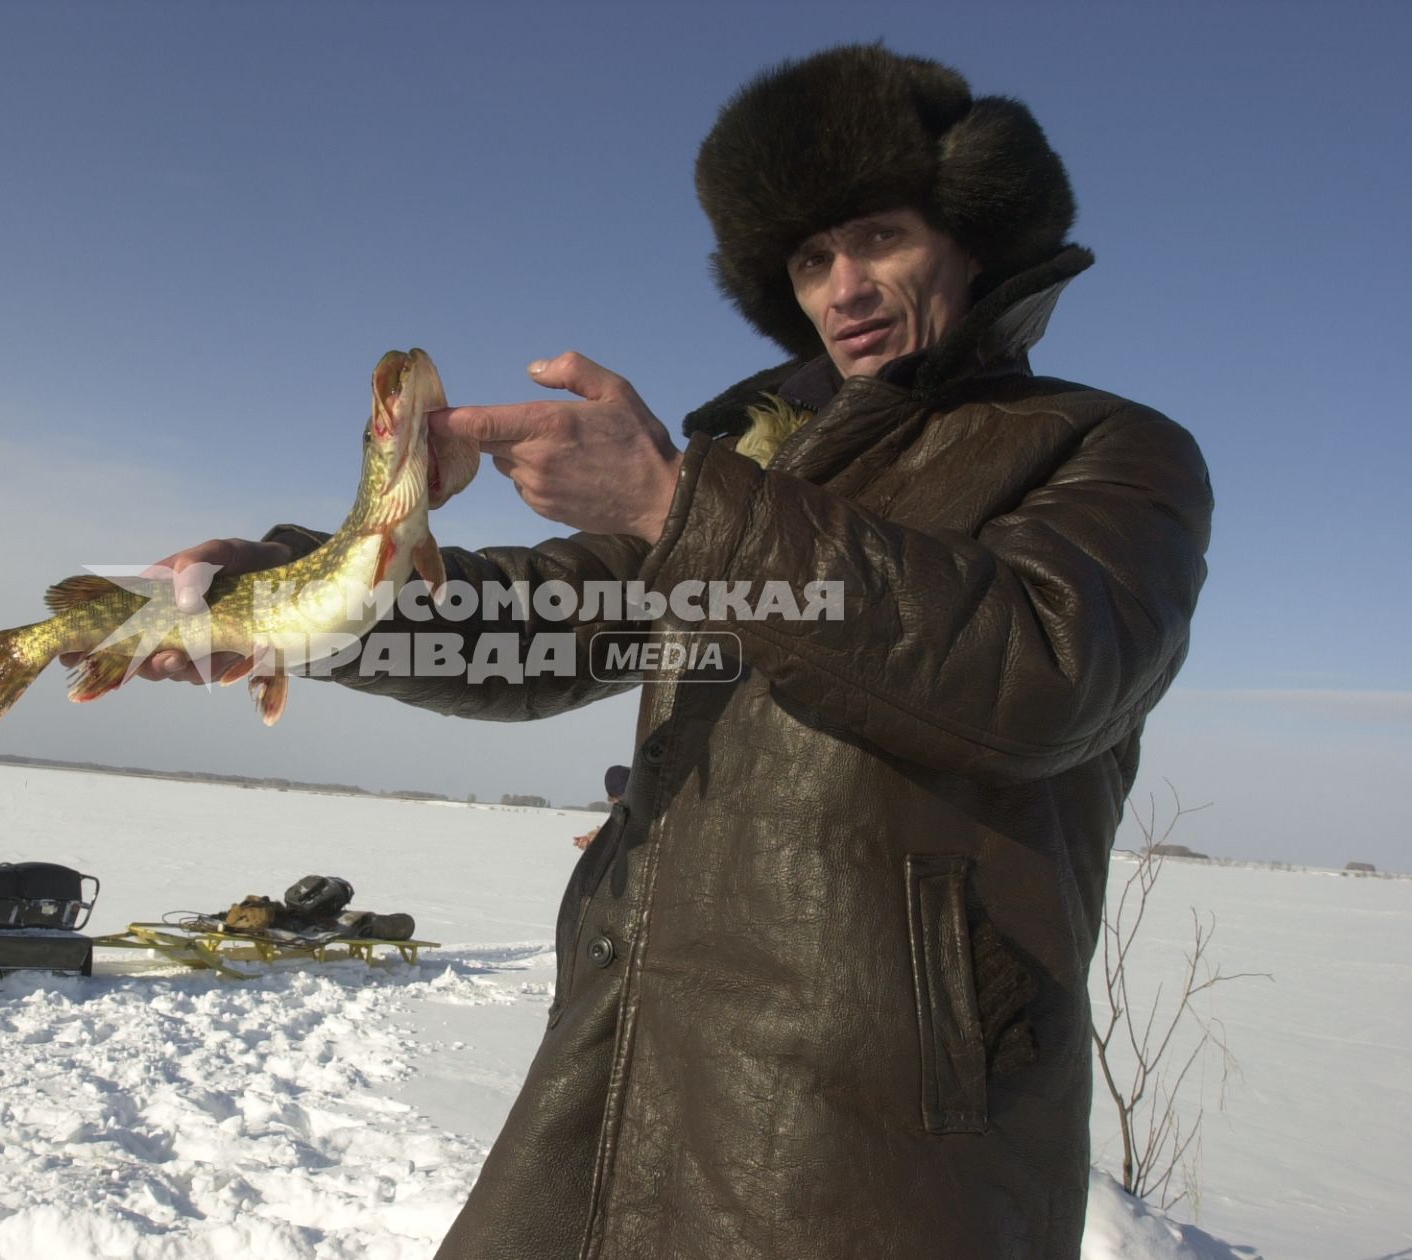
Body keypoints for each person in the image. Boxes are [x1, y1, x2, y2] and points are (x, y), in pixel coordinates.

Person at [131, 45, 1211, 1260]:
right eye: (809, 260)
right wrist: (283, 599)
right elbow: (538, 625)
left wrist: (673, 502)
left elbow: (1040, 678)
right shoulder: (763, 478)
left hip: (878, 1141)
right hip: (626, 1079)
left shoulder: (1106, 449)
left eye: (880, 237)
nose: (843, 285)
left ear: (970, 235)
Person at [574, 765, 632, 849]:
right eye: (616, 798)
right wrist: (596, 839)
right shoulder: (620, 811)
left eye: (621, 797)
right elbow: (616, 831)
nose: (617, 802)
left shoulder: (644, 811)